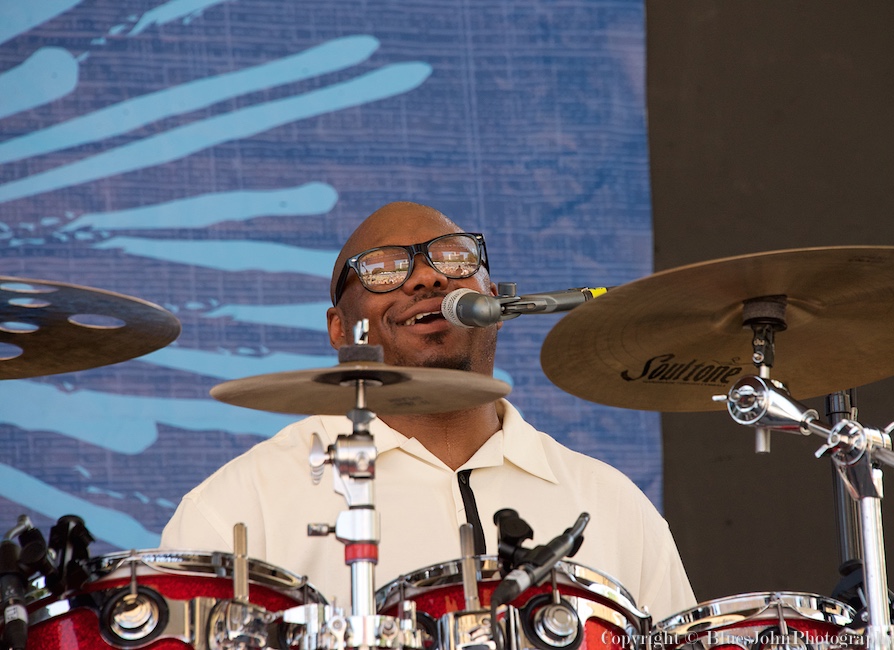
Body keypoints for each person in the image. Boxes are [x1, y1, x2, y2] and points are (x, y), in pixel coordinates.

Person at [160, 201, 696, 623]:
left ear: (497, 303)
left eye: (455, 259)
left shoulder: (613, 506)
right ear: (338, 329)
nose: (427, 279)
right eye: (384, 270)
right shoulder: (236, 509)